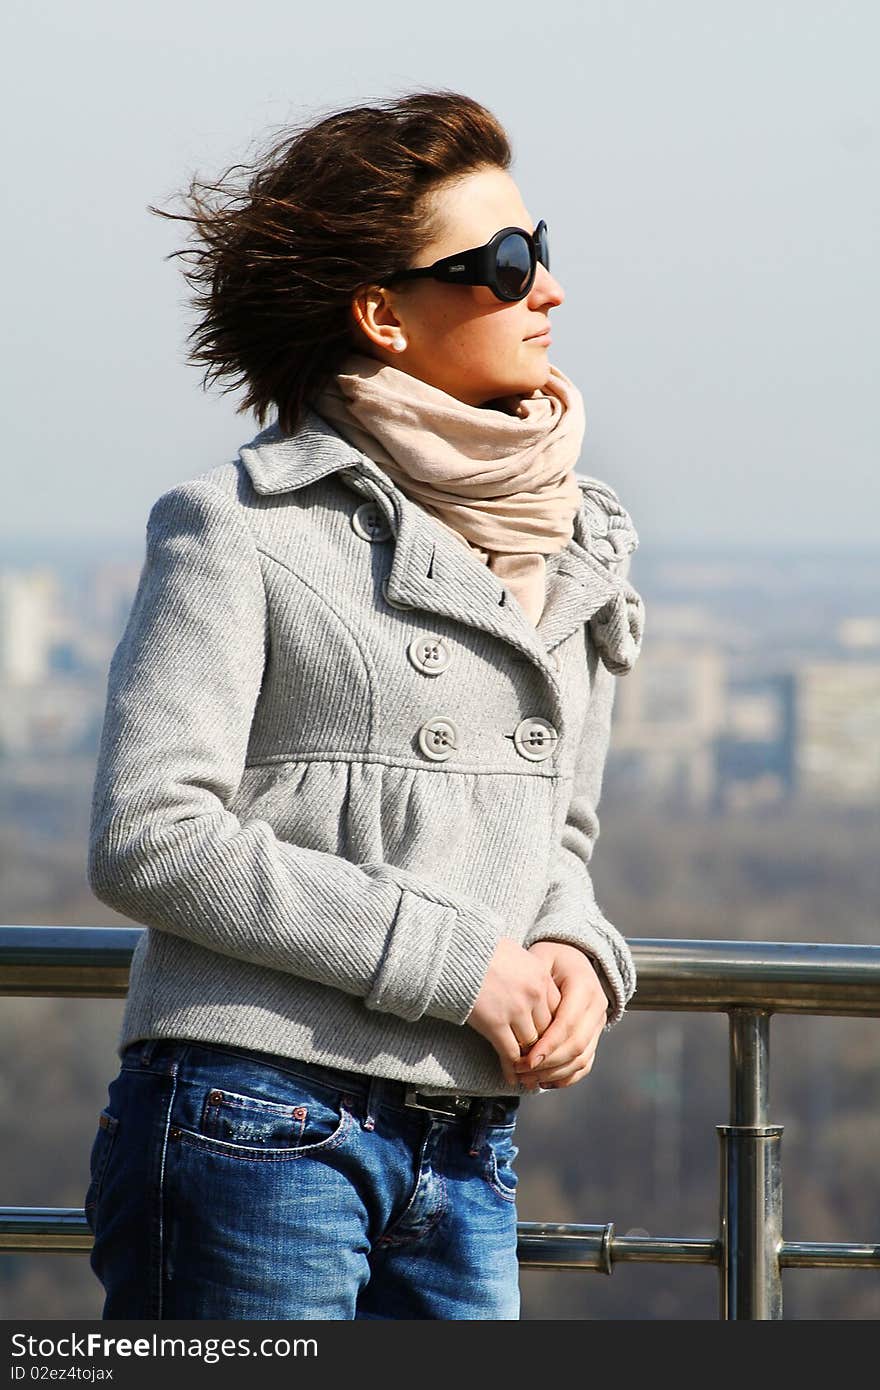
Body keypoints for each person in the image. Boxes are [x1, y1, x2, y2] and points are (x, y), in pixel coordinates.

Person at [82, 89, 645, 1320]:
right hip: (256, 1118)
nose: (546, 288)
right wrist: (458, 967)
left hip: (470, 1135)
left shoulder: (579, 539)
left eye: (538, 246)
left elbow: (557, 838)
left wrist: (576, 959)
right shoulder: (242, 524)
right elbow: (149, 834)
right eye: (502, 265)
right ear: (384, 315)